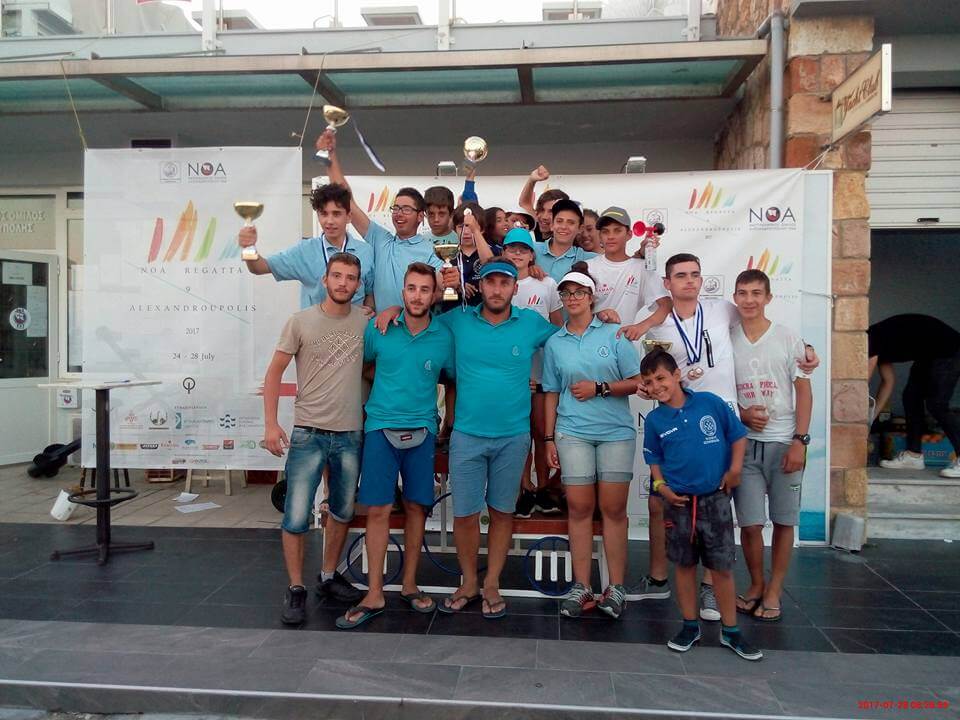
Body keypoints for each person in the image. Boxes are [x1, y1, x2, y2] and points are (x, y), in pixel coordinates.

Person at [638, 253, 818, 620]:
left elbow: (766, 327)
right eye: (680, 275)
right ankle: (668, 582)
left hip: (725, 429)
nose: (689, 280)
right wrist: (644, 383)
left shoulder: (722, 310)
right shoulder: (655, 320)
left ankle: (712, 588)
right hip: (681, 426)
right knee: (683, 508)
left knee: (718, 512)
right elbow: (646, 364)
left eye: (695, 274)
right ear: (668, 283)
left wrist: (808, 350)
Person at [380, 260, 560, 619]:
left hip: (513, 437)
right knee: (465, 515)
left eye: (504, 283)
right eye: (490, 282)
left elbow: (570, 335)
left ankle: (491, 583)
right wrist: (394, 308)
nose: (497, 289)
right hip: (466, 436)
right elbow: (420, 315)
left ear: (515, 288)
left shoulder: (530, 323)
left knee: (502, 512)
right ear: (481, 286)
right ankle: (469, 582)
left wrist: (608, 320)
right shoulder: (459, 320)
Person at [335, 262, 454, 629]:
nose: (417, 296)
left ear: (434, 295)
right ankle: (374, 593)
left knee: (417, 508)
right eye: (411, 288)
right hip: (380, 428)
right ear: (403, 293)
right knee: (378, 510)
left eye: (425, 289)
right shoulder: (380, 328)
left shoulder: (444, 336)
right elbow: (363, 367)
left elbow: (451, 379)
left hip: (422, 431)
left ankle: (409, 585)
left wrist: (448, 421)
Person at [263, 252, 367, 626]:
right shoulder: (300, 321)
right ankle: (296, 587)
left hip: (350, 433)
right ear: (325, 280)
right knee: (295, 516)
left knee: (341, 511)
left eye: (350, 278)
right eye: (337, 276)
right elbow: (274, 372)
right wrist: (271, 424)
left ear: (358, 284)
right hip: (309, 433)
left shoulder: (365, 322)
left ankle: (327, 575)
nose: (343, 283)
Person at [640, 349, 761, 661]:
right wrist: (662, 487)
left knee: (721, 568)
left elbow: (737, 435)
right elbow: (654, 458)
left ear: (677, 375)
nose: (656, 386)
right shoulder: (654, 420)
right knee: (683, 566)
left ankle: (731, 631)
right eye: (649, 382)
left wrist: (735, 470)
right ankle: (689, 626)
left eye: (661, 378)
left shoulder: (710, 403)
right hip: (678, 504)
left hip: (715, 500)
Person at [542, 264, 643, 620]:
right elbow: (551, 392)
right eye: (566, 293)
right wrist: (548, 438)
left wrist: (600, 388)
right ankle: (582, 585)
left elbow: (637, 382)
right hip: (572, 433)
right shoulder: (555, 342)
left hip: (615, 433)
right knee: (580, 509)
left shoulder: (614, 334)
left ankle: (616, 587)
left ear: (591, 298)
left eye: (579, 293)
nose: (572, 298)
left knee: (613, 511)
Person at [731, 269, 813, 622]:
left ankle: (775, 589)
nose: (749, 300)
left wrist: (800, 441)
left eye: (756, 293)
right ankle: (756, 584)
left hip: (784, 442)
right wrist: (742, 414)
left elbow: (804, 391)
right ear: (735, 297)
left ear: (768, 298)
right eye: (743, 293)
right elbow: (719, 388)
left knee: (783, 521)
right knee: (750, 523)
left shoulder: (787, 338)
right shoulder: (727, 337)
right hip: (744, 444)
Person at [318, 130, 445, 310]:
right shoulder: (380, 239)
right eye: (396, 208)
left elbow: (443, 288)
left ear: (420, 216)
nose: (399, 213)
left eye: (406, 209)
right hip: (379, 326)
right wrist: (330, 156)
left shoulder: (430, 250)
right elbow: (347, 200)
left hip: (413, 325)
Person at [502, 228, 564, 518]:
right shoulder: (499, 284)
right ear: (504, 252)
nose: (517, 253)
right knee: (519, 435)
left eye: (523, 249)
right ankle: (524, 488)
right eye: (511, 248)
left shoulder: (547, 284)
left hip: (540, 372)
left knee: (541, 432)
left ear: (531, 255)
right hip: (510, 377)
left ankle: (543, 488)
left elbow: (557, 329)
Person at [239, 182, 375, 311]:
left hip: (354, 327)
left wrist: (370, 308)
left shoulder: (366, 251)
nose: (329, 221)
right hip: (314, 327)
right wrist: (249, 247)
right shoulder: (305, 251)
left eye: (336, 214)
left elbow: (370, 292)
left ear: (349, 217)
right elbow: (259, 267)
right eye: (324, 214)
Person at [869, 314, 960, 478]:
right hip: (928, 353)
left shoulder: (866, 342)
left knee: (937, 404)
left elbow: (860, 384)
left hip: (949, 349)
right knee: (911, 397)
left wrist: (862, 422)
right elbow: (888, 381)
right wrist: (871, 418)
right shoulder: (875, 343)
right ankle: (913, 456)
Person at [587, 206, 671, 340]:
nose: (611, 236)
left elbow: (666, 305)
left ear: (629, 234)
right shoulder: (588, 267)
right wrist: (598, 315)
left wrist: (642, 326)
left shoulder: (642, 268)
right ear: (600, 236)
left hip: (622, 344)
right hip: (589, 342)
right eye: (605, 231)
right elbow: (575, 311)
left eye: (617, 230)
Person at [439, 202, 500, 312]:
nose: (466, 232)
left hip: (483, 314)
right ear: (454, 229)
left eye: (471, 226)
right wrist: (458, 285)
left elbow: (491, 267)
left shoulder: (493, 251)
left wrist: (475, 232)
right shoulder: (448, 253)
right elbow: (438, 280)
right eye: (461, 227)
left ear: (482, 229)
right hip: (453, 314)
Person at [534, 199, 596, 283]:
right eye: (559, 221)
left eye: (571, 222)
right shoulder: (532, 249)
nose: (564, 227)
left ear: (580, 229)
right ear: (552, 225)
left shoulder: (590, 259)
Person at [518, 165, 569, 243]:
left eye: (551, 212)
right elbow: (525, 203)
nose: (544, 217)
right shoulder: (536, 229)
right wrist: (532, 180)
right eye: (541, 210)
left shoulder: (567, 243)